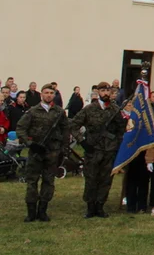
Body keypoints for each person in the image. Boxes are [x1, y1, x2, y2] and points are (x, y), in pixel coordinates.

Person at [16, 83, 68, 222]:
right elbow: (20, 129)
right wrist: (30, 143)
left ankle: (43, 210)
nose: (49, 95)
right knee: (32, 181)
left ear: (54, 95)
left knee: (48, 181)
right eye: (46, 93)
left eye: (51, 93)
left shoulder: (59, 112)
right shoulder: (32, 111)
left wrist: (63, 149)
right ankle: (31, 211)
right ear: (41, 94)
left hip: (52, 152)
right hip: (35, 152)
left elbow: (65, 131)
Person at [71, 83, 125, 217]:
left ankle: (100, 206)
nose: (106, 93)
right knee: (91, 179)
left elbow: (120, 129)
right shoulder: (89, 109)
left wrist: (117, 144)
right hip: (93, 150)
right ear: (98, 92)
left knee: (106, 179)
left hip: (109, 150)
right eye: (103, 90)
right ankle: (90, 207)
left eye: (108, 90)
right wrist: (82, 141)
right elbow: (73, 125)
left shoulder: (115, 109)